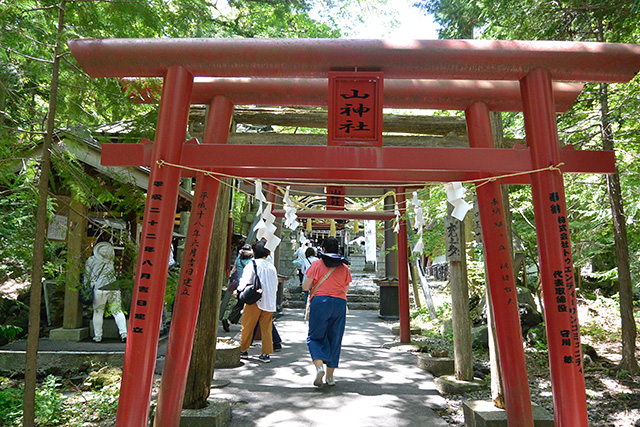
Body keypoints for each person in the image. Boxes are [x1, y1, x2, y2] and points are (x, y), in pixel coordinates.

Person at [302, 237, 351, 387]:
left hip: (320, 302)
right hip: (339, 303)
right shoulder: (344, 267)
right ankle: (330, 377)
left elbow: (305, 286)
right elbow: (346, 289)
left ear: (323, 249)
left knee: (315, 337)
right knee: (335, 338)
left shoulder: (317, 264)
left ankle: (319, 367)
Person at [235, 240, 278, 362]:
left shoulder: (252, 264)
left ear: (254, 252)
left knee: (247, 325)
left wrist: (238, 291)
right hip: (269, 301)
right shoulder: (271, 267)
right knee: (266, 328)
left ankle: (243, 350)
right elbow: (275, 285)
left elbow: (245, 280)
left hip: (255, 300)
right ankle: (266, 353)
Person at [84, 241, 128, 343]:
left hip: (99, 288)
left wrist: (86, 286)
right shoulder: (110, 261)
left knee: (98, 312)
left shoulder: (91, 260)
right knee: (117, 311)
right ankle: (123, 333)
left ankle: (98, 336)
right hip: (114, 287)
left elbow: (87, 276)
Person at [221, 243, 253, 332]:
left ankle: (230, 321)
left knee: (240, 304)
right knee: (243, 305)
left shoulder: (239, 258)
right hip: (248, 286)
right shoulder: (252, 261)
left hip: (239, 285)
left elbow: (234, 269)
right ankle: (230, 321)